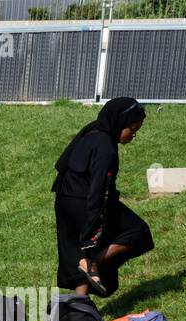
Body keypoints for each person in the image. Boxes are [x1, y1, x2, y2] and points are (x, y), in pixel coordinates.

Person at [53, 97, 153, 299]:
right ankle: (93, 263)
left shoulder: (92, 129)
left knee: (79, 252)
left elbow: (63, 163)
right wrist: (92, 226)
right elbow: (99, 190)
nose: (133, 135)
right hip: (86, 202)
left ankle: (80, 304)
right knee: (139, 232)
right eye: (132, 129)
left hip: (64, 199)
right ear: (119, 122)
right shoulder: (106, 148)